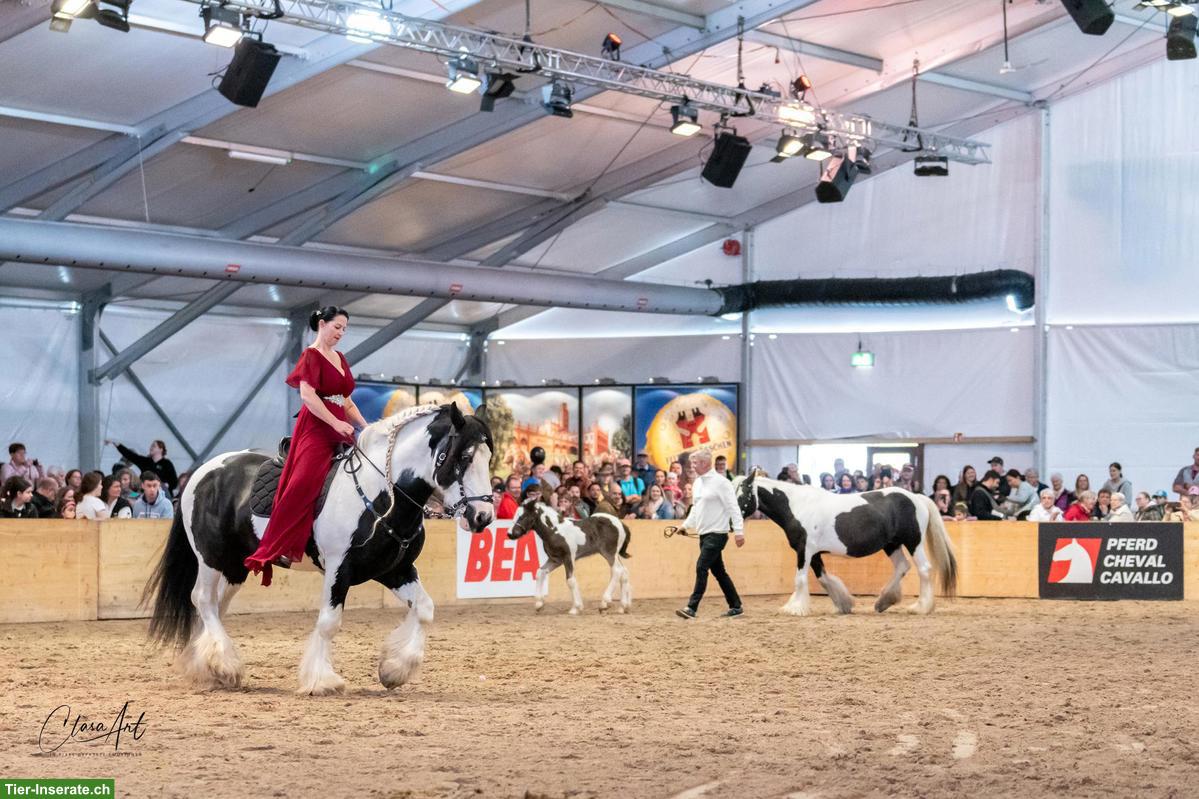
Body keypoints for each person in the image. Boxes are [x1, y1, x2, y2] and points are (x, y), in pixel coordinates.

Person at [244, 306, 365, 586]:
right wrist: (335, 425)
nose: (341, 333)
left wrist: (365, 426)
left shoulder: (340, 358)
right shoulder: (311, 356)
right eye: (337, 327)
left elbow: (345, 401)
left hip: (342, 427)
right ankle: (275, 545)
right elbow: (308, 397)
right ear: (322, 324)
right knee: (302, 482)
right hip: (316, 429)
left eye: (345, 329)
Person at [675, 450, 744, 620]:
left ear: (705, 463)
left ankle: (692, 607)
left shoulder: (722, 483)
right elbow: (696, 508)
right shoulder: (698, 483)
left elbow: (733, 508)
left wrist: (739, 531)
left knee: (701, 566)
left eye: (695, 463)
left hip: (718, 534)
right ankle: (736, 605)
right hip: (704, 534)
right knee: (719, 572)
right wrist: (685, 526)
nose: (692, 466)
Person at [105, 438, 179, 497]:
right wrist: (117, 444)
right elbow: (131, 455)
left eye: (154, 446)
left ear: (161, 449)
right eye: (151, 446)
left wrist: (167, 485)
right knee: (129, 494)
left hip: (162, 494)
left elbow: (174, 482)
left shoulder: (167, 464)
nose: (151, 448)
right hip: (143, 493)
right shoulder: (146, 461)